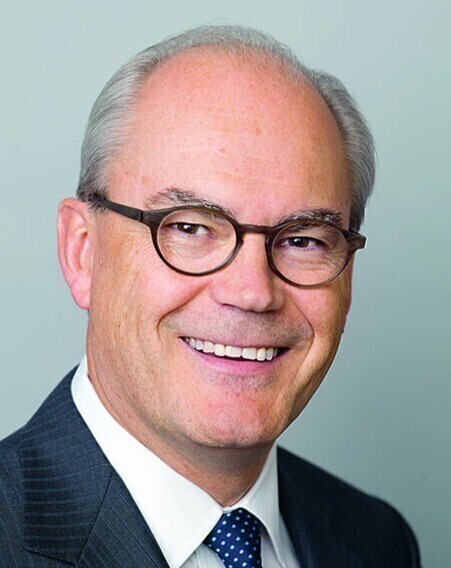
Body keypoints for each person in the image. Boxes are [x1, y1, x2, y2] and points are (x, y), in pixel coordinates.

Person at [0, 25, 421, 567]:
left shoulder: (379, 541)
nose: (252, 292)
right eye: (191, 227)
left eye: (302, 240)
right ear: (83, 251)